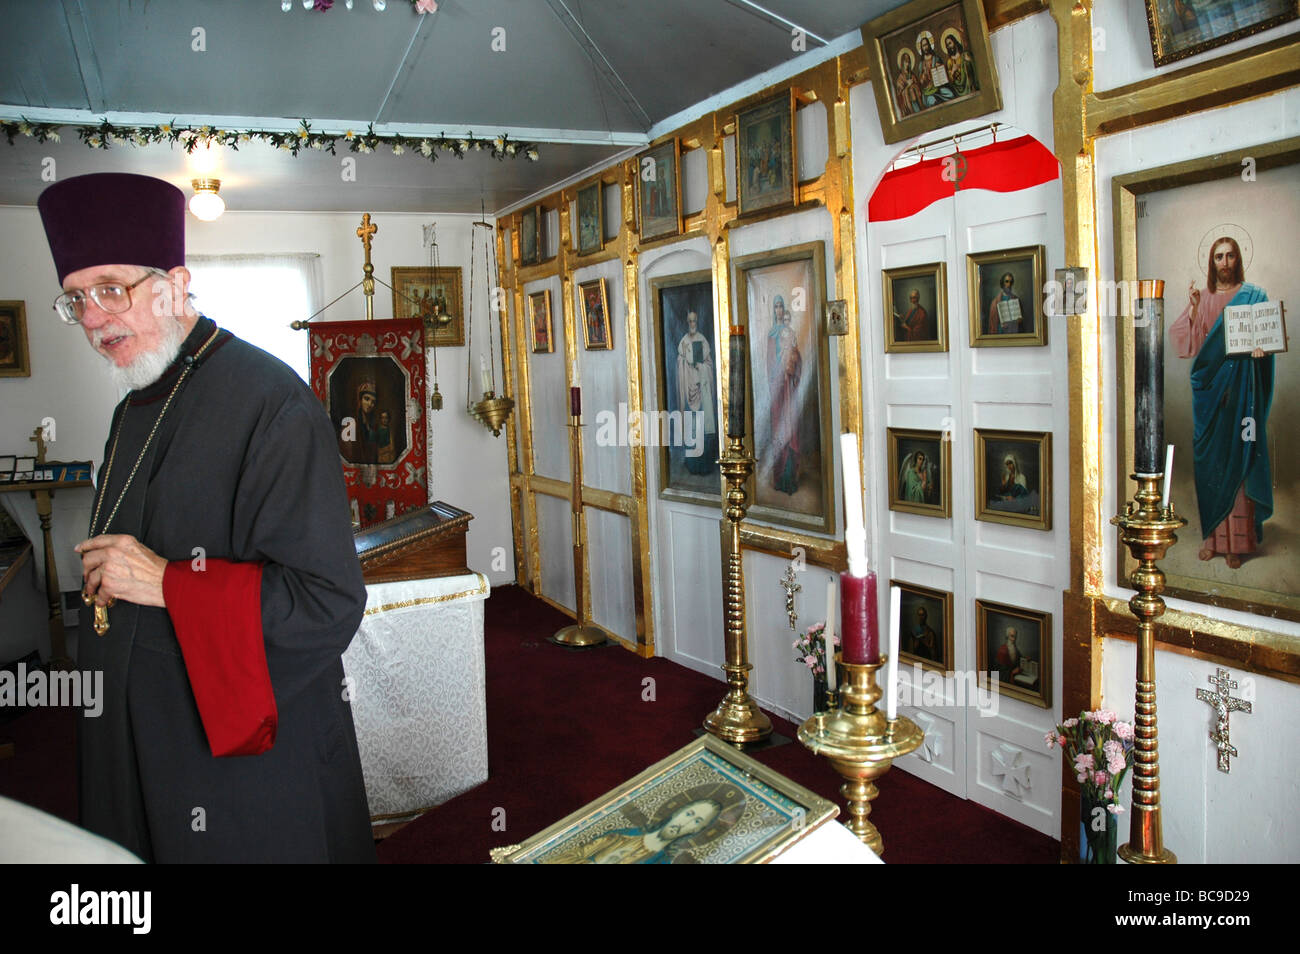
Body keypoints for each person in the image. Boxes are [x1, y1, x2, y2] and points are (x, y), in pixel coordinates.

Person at [38, 172, 373, 863]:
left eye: (110, 289)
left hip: (232, 761)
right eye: (76, 300)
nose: (94, 320)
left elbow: (329, 602)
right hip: (134, 734)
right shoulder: (132, 403)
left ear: (174, 284)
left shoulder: (272, 405)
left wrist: (166, 583)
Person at [1169, 235, 1274, 569]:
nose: (1225, 263)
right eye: (1218, 257)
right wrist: (1196, 308)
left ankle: (1236, 544)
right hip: (1211, 395)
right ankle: (1213, 538)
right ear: (1211, 262)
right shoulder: (1205, 298)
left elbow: (1267, 338)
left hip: (1243, 392)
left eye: (1230, 256)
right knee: (1211, 463)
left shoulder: (1254, 296)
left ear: (1237, 259)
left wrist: (1262, 351)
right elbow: (1189, 346)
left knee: (1240, 457)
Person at [542, 799, 723, 864]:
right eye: (689, 814)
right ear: (678, 812)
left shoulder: (663, 862)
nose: (686, 822)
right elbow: (569, 856)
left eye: (697, 821)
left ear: (698, 829)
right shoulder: (621, 835)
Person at [766, 295, 803, 494]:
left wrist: (792, 367)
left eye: (781, 306)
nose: (779, 310)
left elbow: (798, 360)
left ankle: (791, 478)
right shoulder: (772, 336)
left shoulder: (791, 334)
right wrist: (778, 373)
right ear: (773, 310)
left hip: (791, 390)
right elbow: (769, 364)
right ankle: (780, 478)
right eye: (776, 306)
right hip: (778, 391)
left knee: (792, 428)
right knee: (778, 428)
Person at [675, 310, 718, 475]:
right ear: (687, 322)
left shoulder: (703, 340)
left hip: (701, 389)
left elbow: (709, 363)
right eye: (690, 321)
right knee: (692, 428)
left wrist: (702, 367)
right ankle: (693, 464)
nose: (692, 324)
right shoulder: (684, 342)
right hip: (689, 391)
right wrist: (686, 363)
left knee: (702, 428)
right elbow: (680, 361)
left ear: (697, 322)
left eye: (694, 321)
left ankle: (704, 464)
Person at [916, 33, 956, 108]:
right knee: (932, 101)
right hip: (928, 92)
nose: (925, 47)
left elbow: (944, 76)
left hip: (939, 88)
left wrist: (940, 68)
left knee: (950, 94)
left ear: (929, 45)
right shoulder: (921, 64)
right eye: (923, 46)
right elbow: (920, 83)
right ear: (921, 48)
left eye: (926, 45)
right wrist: (924, 75)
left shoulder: (936, 58)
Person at [943, 33, 979, 97]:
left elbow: (974, 68)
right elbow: (950, 81)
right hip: (957, 89)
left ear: (954, 42)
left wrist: (969, 61)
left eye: (950, 43)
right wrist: (953, 71)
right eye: (947, 45)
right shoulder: (949, 62)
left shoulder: (964, 55)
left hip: (969, 85)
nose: (949, 46)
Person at [894, 51, 922, 116]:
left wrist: (914, 85)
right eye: (906, 62)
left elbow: (919, 86)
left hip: (916, 100)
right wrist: (908, 86)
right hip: (907, 101)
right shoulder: (900, 78)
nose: (907, 64)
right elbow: (899, 93)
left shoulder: (912, 75)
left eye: (909, 62)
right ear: (902, 63)